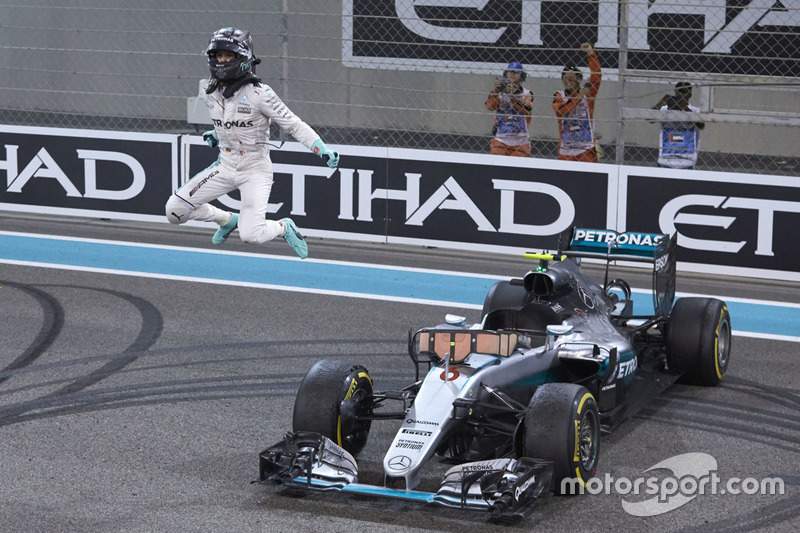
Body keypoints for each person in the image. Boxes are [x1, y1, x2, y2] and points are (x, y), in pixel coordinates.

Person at [164, 27, 339, 259]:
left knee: (251, 236)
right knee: (175, 211)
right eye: (218, 55)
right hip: (225, 165)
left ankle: (284, 227)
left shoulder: (261, 93)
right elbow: (230, 121)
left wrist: (320, 147)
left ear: (243, 58)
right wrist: (216, 134)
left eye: (228, 55)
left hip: (255, 169)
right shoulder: (210, 91)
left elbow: (293, 124)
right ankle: (227, 220)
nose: (222, 60)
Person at [552, 43, 602, 162]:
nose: (567, 82)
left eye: (571, 79)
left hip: (586, 148)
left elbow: (597, 76)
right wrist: (578, 97)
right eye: (564, 79)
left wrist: (591, 53)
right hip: (566, 148)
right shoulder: (559, 95)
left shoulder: (588, 93)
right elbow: (560, 111)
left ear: (579, 80)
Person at [485, 61, 533, 157]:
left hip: (521, 141)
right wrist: (495, 92)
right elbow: (490, 107)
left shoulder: (527, 93)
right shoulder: (498, 92)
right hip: (501, 139)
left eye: (516, 72)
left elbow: (527, 111)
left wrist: (513, 97)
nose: (512, 74)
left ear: (522, 76)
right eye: (510, 71)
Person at [652, 82, 705, 169]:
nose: (681, 94)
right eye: (679, 91)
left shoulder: (695, 111)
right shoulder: (665, 109)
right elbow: (650, 119)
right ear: (675, 92)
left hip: (687, 161)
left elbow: (701, 125)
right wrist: (662, 102)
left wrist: (684, 107)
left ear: (689, 94)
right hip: (665, 160)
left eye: (684, 91)